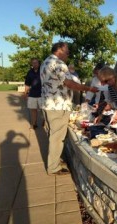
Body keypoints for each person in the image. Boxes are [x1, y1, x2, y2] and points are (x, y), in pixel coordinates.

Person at [40, 41, 98, 175]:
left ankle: (54, 160)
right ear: (59, 50)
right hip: (58, 105)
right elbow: (69, 83)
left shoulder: (45, 62)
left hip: (47, 105)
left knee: (53, 135)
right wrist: (88, 88)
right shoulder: (59, 64)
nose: (68, 54)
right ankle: (53, 167)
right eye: (67, 52)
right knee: (57, 137)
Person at [24, 58, 42, 129]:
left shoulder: (43, 71)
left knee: (43, 110)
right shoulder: (29, 72)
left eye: (36, 62)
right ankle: (34, 124)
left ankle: (45, 121)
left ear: (39, 63)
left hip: (42, 94)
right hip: (32, 94)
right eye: (33, 63)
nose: (35, 64)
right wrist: (25, 93)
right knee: (33, 110)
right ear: (32, 64)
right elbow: (27, 84)